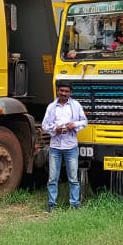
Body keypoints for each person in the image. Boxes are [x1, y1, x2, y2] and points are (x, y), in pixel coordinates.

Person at [41, 82, 88, 212]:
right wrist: (55, 129)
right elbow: (45, 125)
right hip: (55, 147)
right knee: (52, 178)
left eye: (66, 91)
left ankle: (74, 205)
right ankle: (51, 206)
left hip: (71, 147)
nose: (63, 93)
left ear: (70, 93)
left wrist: (74, 125)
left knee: (73, 178)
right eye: (61, 91)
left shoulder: (76, 105)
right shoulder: (51, 107)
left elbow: (84, 121)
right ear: (57, 91)